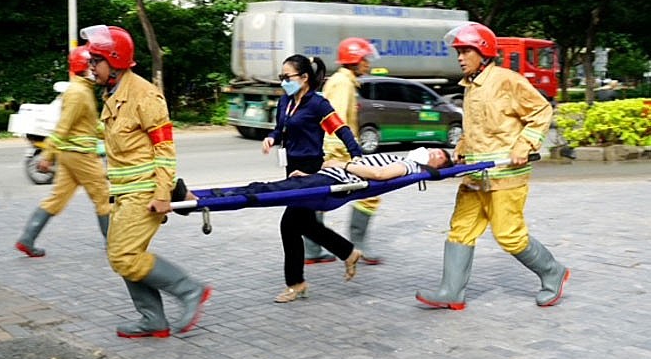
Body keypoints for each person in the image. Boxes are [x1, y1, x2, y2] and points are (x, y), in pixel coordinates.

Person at [416, 23, 570, 310]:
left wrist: (525, 144)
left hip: (505, 177)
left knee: (509, 236)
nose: (460, 57)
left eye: (466, 51)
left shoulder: (506, 81)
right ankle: (452, 291)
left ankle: (552, 271)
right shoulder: (471, 86)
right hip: (475, 175)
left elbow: (541, 110)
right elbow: (477, 127)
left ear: (484, 52)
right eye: (458, 52)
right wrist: (461, 148)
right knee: (460, 229)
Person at [82, 24, 211, 338]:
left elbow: (164, 148)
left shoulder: (144, 95)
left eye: (95, 60)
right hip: (125, 191)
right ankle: (152, 319)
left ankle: (189, 289)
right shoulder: (112, 93)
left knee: (124, 256)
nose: (90, 67)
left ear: (114, 61)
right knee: (124, 254)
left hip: (145, 189)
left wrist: (163, 192)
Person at [262, 54, 365, 303]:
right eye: (281, 77)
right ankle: (348, 253)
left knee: (289, 225)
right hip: (291, 168)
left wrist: (356, 155)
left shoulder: (317, 104)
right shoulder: (285, 102)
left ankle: (296, 284)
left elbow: (341, 128)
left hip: (310, 171)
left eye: (287, 77)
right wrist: (272, 138)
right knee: (305, 224)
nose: (283, 82)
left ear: (304, 78)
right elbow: (280, 129)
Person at [15, 46, 110, 258]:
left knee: (57, 199)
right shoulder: (78, 93)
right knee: (103, 196)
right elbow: (63, 127)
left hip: (70, 155)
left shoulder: (81, 91)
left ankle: (27, 238)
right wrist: (47, 156)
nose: (97, 69)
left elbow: (90, 126)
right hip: (81, 155)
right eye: (93, 64)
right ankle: (113, 244)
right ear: (85, 67)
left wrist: (114, 134)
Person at [304, 37, 383, 265]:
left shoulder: (343, 81)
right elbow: (334, 121)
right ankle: (358, 244)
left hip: (334, 151)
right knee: (371, 192)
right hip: (338, 153)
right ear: (354, 60)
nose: (368, 64)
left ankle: (311, 250)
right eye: (364, 59)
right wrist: (344, 156)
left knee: (317, 197)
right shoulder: (343, 84)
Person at [201, 148, 452, 197]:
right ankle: (210, 195)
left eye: (440, 158)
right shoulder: (405, 158)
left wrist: (340, 166)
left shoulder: (410, 166)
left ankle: (207, 197)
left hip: (335, 178)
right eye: (437, 151)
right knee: (271, 187)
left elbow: (380, 175)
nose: (435, 153)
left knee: (267, 190)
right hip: (331, 175)